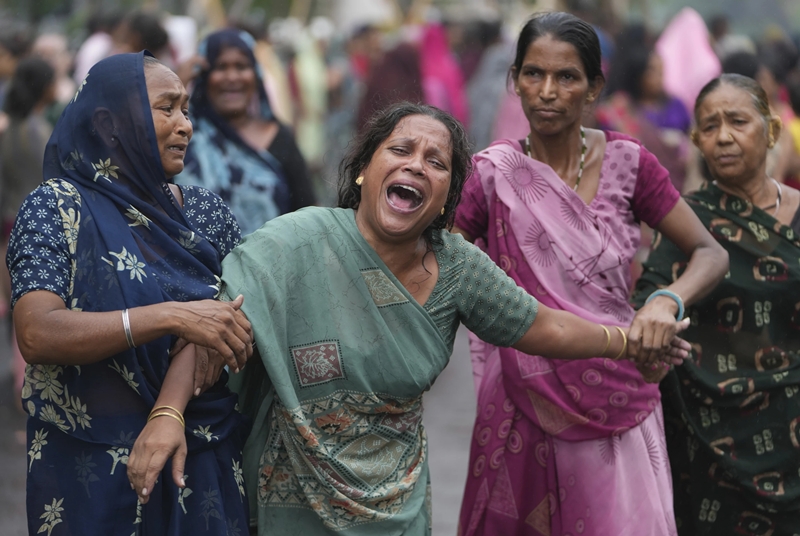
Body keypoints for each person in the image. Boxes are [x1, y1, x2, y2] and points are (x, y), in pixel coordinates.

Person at [212, 101, 692, 536]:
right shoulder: (298, 241)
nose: (416, 165)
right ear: (363, 171)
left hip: (395, 509)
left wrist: (630, 341)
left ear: (446, 198)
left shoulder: (457, 267)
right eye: (401, 149)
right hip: (293, 499)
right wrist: (174, 412)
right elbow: (218, 321)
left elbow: (545, 326)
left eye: (436, 162)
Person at [452, 13, 728, 536]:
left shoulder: (629, 162)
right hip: (520, 403)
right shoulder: (491, 174)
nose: (547, 92)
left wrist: (665, 301)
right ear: (515, 81)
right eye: (533, 74)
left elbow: (709, 253)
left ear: (594, 87)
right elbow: (440, 268)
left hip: (620, 394)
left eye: (567, 77)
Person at [8, 52, 254, 535]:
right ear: (109, 122)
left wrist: (170, 411)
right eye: (167, 108)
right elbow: (37, 332)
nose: (185, 125)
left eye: (186, 110)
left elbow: (231, 324)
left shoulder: (204, 214)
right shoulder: (57, 207)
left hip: (201, 458)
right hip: (89, 469)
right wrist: (172, 317)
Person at [634, 73, 800, 536]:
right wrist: (658, 312)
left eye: (738, 122)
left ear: (770, 130)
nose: (723, 136)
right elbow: (648, 302)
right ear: (696, 142)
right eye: (709, 126)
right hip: (708, 442)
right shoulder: (687, 220)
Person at [175, 29, 315, 236]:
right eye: (220, 67)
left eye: (241, 66)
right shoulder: (184, 134)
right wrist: (176, 87)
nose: (232, 77)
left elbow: (308, 215)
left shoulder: (279, 137)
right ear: (203, 76)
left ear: (256, 74)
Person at [1, 57, 56, 393]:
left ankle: (18, 381)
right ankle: (29, 387)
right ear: (45, 87)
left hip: (10, 227)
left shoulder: (10, 130)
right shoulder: (39, 132)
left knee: (18, 313)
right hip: (36, 230)